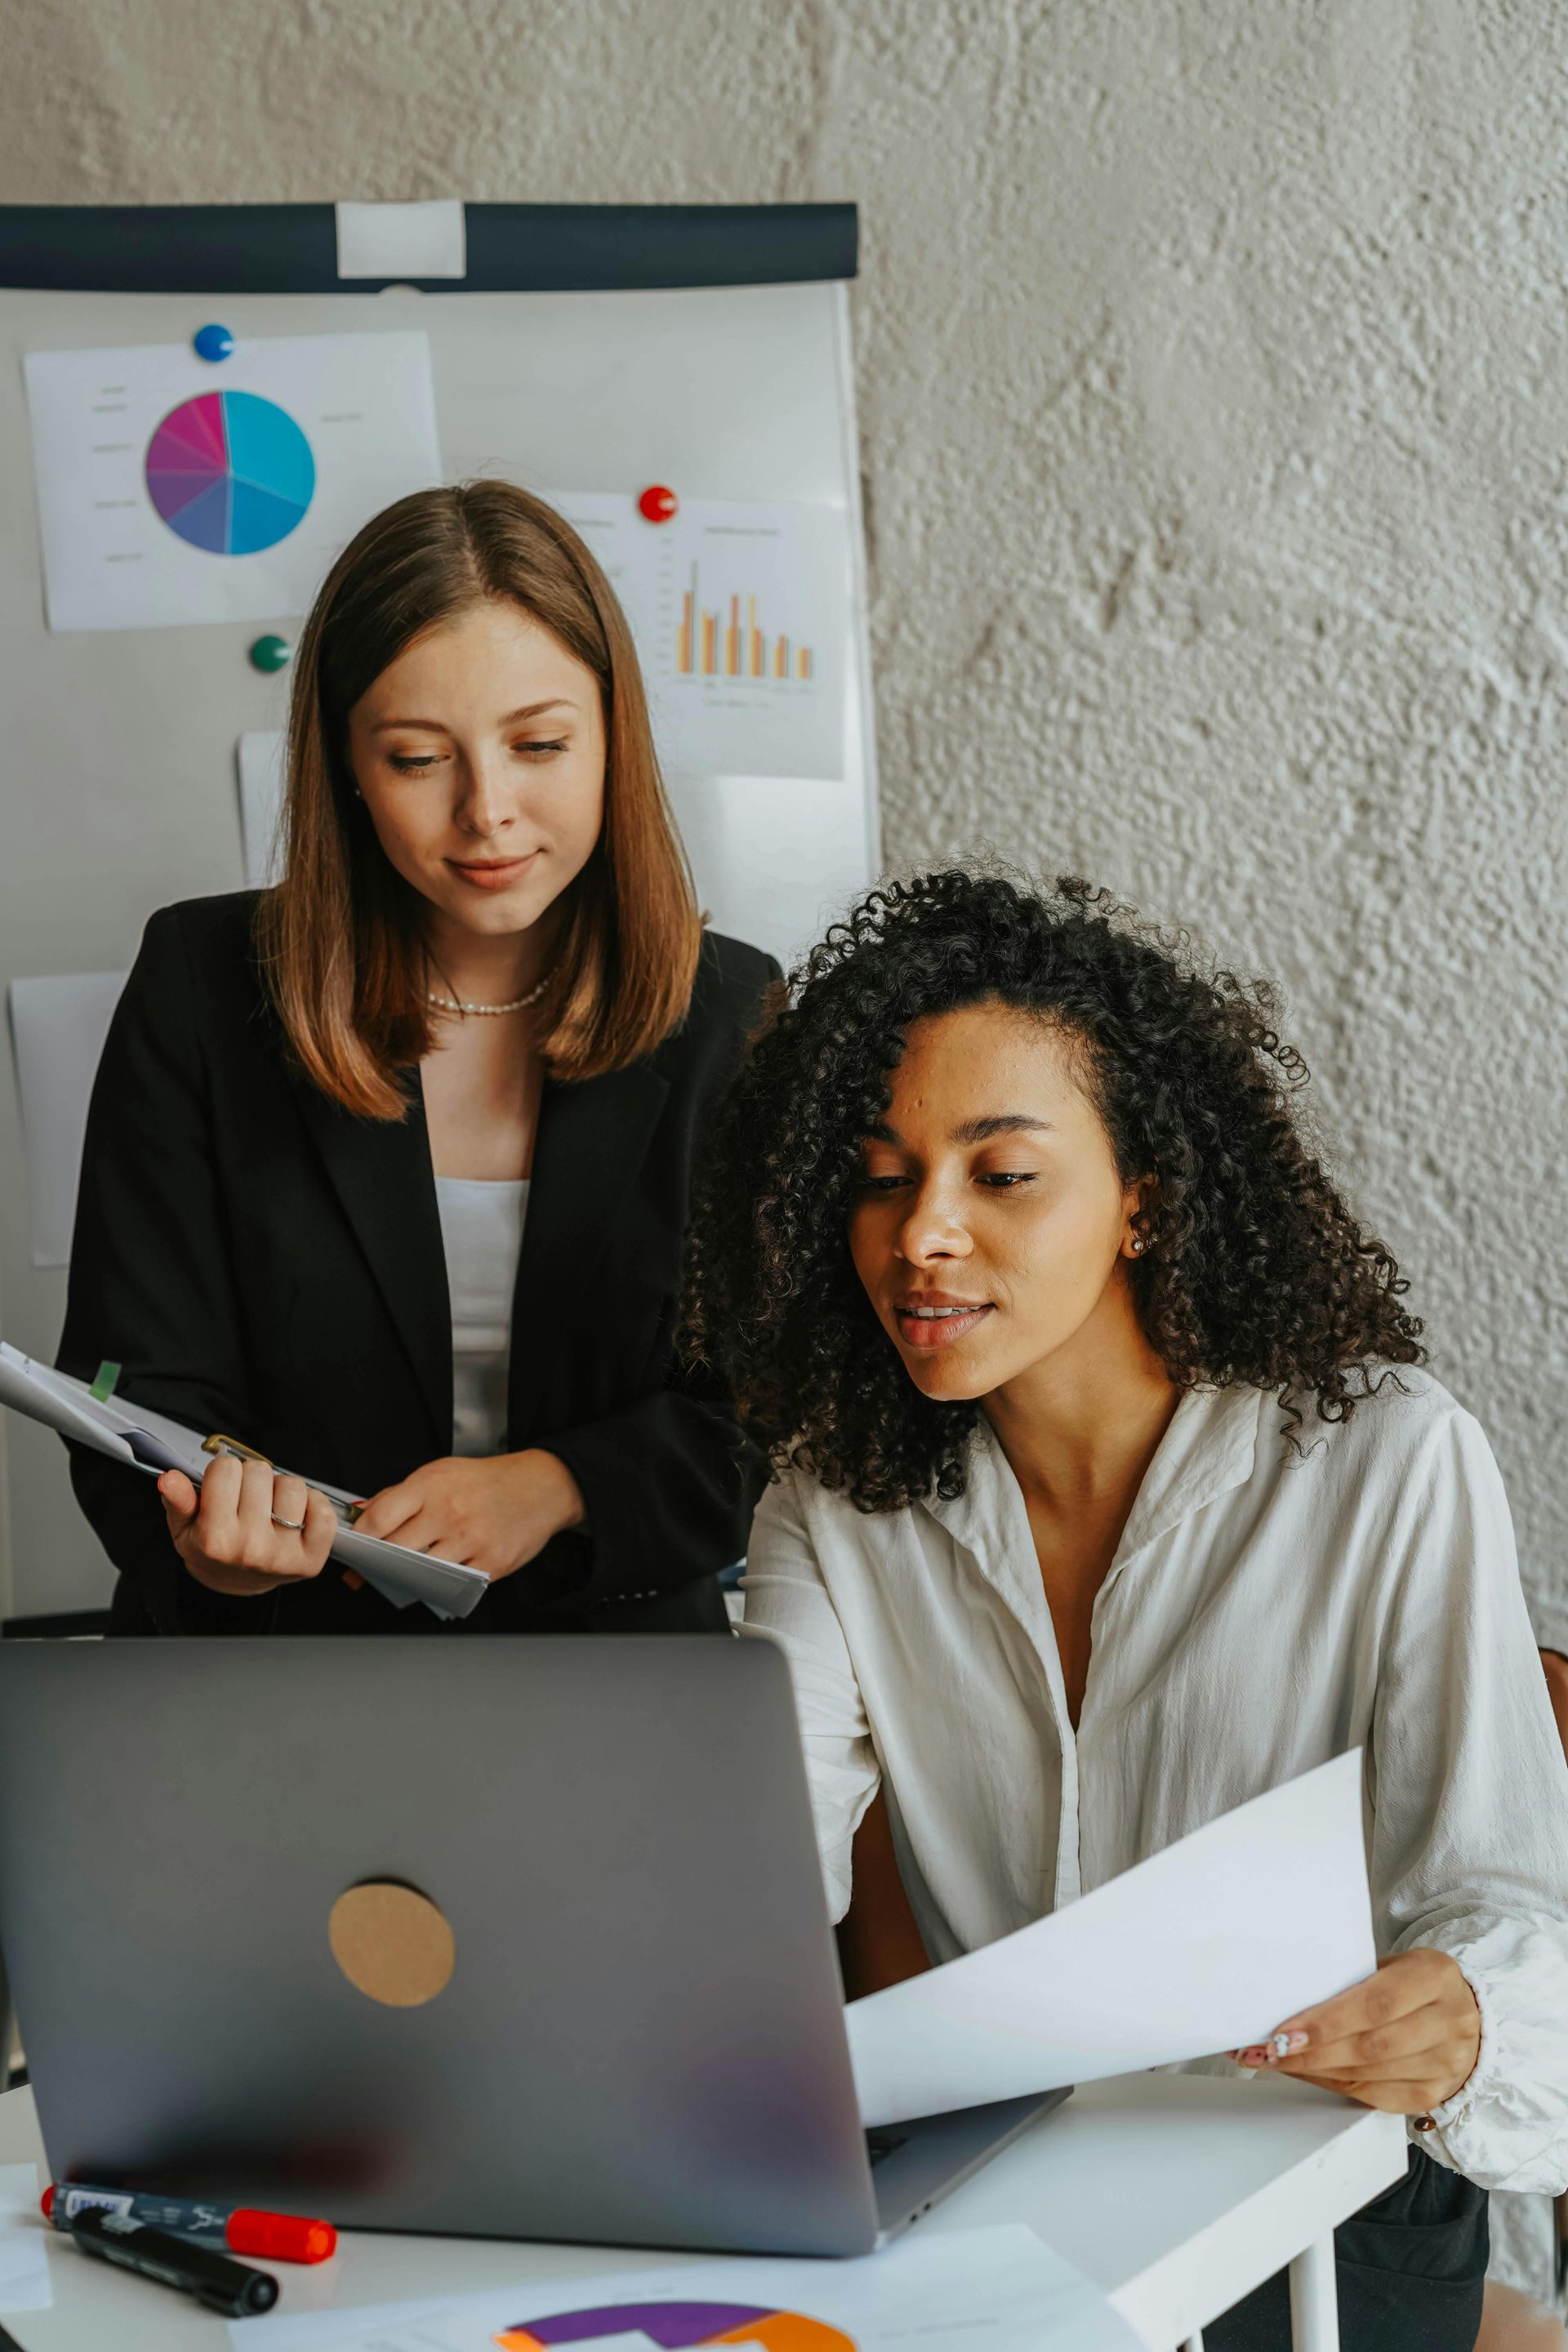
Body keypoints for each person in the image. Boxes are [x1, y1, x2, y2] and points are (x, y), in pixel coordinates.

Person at [683, 868, 1568, 2352]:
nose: (922, 1238)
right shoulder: (830, 1500)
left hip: (1325, 2199)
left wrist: (1463, 2011)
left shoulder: (1386, 1459)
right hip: (1010, 2189)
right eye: (883, 1174)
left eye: (1001, 1175)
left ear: (1144, 1198)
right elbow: (751, 1850)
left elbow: (1514, 1905)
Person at [60, 480, 775, 1637]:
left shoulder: (733, 1010)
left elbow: (770, 1410)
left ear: (613, 737)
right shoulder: (201, 981)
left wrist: (558, 1485)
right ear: (345, 763)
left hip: (613, 1673)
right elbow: (131, 1384)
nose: (488, 811)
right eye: (416, 758)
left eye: (540, 744)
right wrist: (210, 1540)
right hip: (265, 1668)